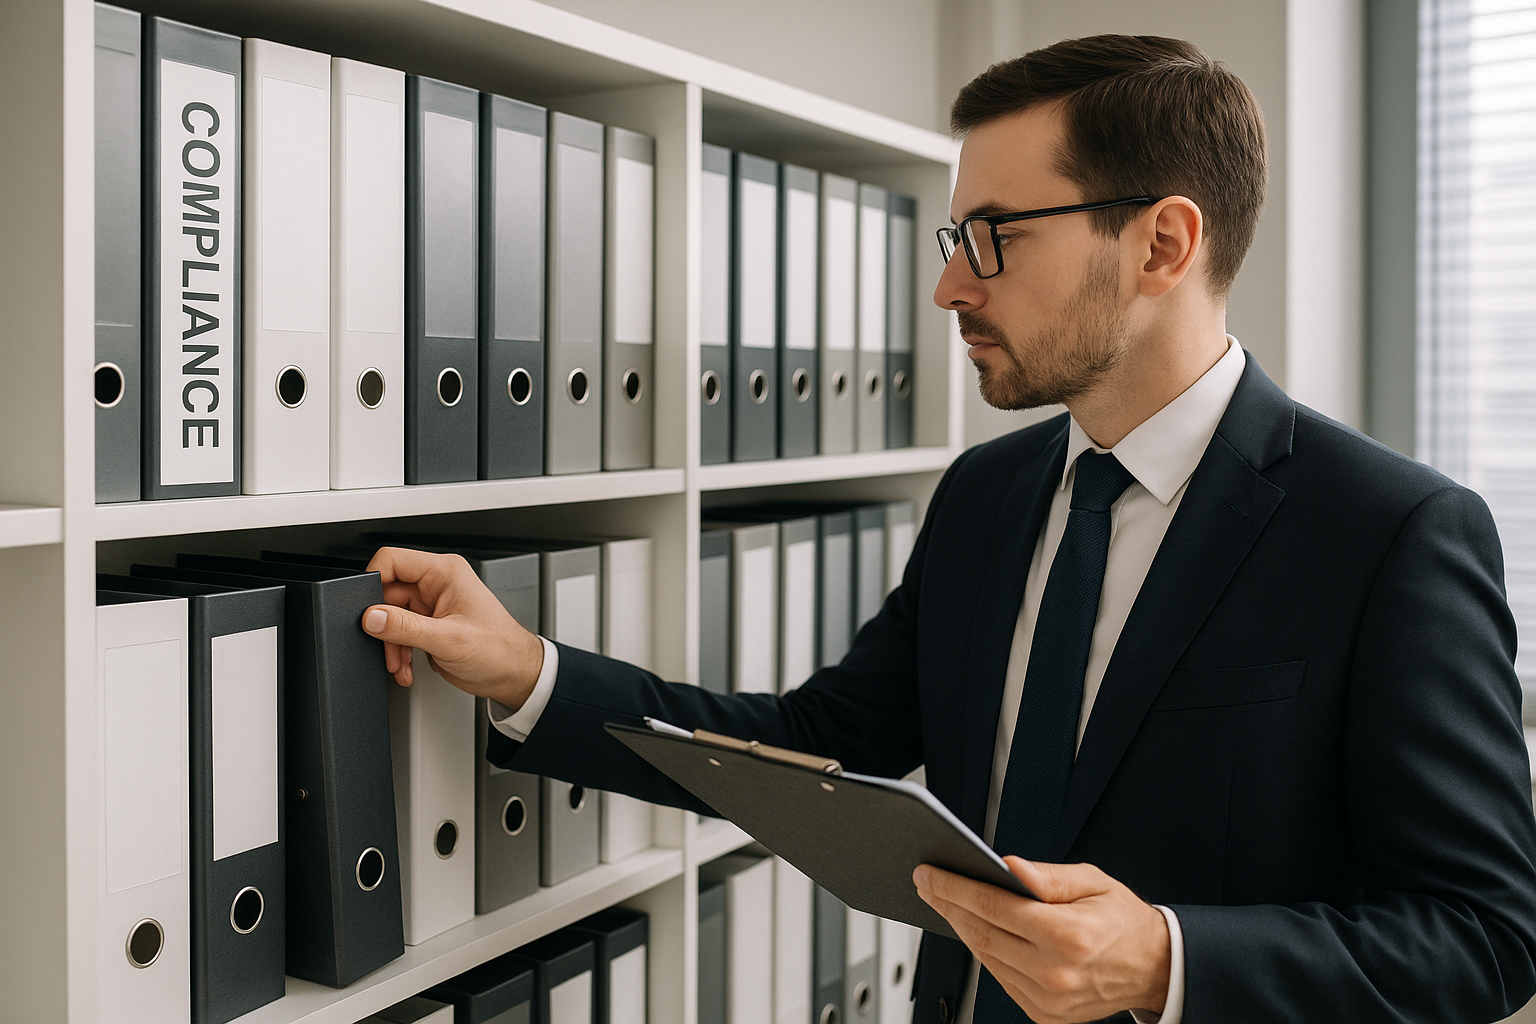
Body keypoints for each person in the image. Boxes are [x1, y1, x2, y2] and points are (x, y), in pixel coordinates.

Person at [360, 34, 1536, 1024]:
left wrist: (1169, 958)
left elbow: (1484, 935)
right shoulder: (987, 494)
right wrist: (527, 672)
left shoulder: (1392, 534)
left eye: (996, 238)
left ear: (1163, 245)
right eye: (952, 240)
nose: (951, 290)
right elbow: (821, 745)